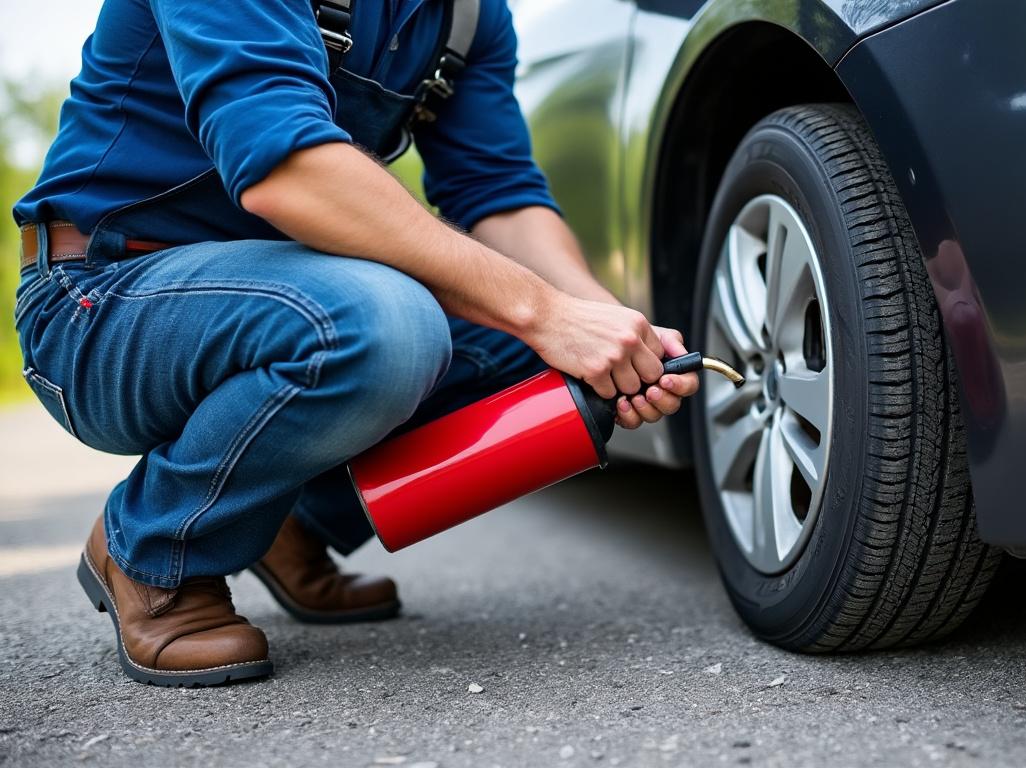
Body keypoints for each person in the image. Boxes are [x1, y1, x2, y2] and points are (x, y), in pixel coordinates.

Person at [11, 0, 698, 687]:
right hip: (101, 299)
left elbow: (498, 194)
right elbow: (285, 168)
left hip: (286, 295)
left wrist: (604, 327)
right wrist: (544, 311)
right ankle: (154, 548)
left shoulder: (468, 15)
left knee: (540, 356)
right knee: (387, 326)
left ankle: (281, 519)